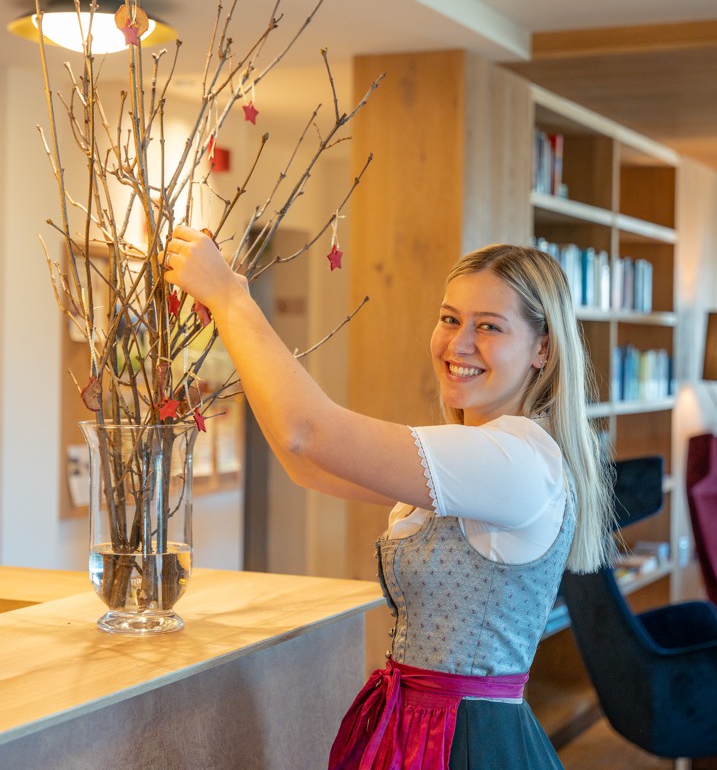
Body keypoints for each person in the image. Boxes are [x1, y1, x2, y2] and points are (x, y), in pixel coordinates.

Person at [164, 231, 614, 770]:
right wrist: (232, 307)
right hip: (414, 730)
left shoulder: (518, 459)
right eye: (450, 319)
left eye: (489, 326)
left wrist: (231, 300)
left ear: (543, 348)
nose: (459, 343)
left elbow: (308, 432)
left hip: (465, 745)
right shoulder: (480, 455)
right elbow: (306, 463)